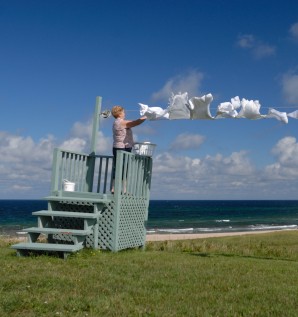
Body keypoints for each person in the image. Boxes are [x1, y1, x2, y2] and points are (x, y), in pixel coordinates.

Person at [111, 105, 147, 193]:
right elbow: (135, 123)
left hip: (125, 147)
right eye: (123, 112)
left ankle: (122, 189)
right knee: (120, 168)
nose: (124, 113)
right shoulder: (119, 122)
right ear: (119, 113)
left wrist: (134, 143)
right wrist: (146, 116)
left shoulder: (120, 122)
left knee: (124, 169)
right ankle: (116, 188)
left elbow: (125, 136)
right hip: (120, 148)